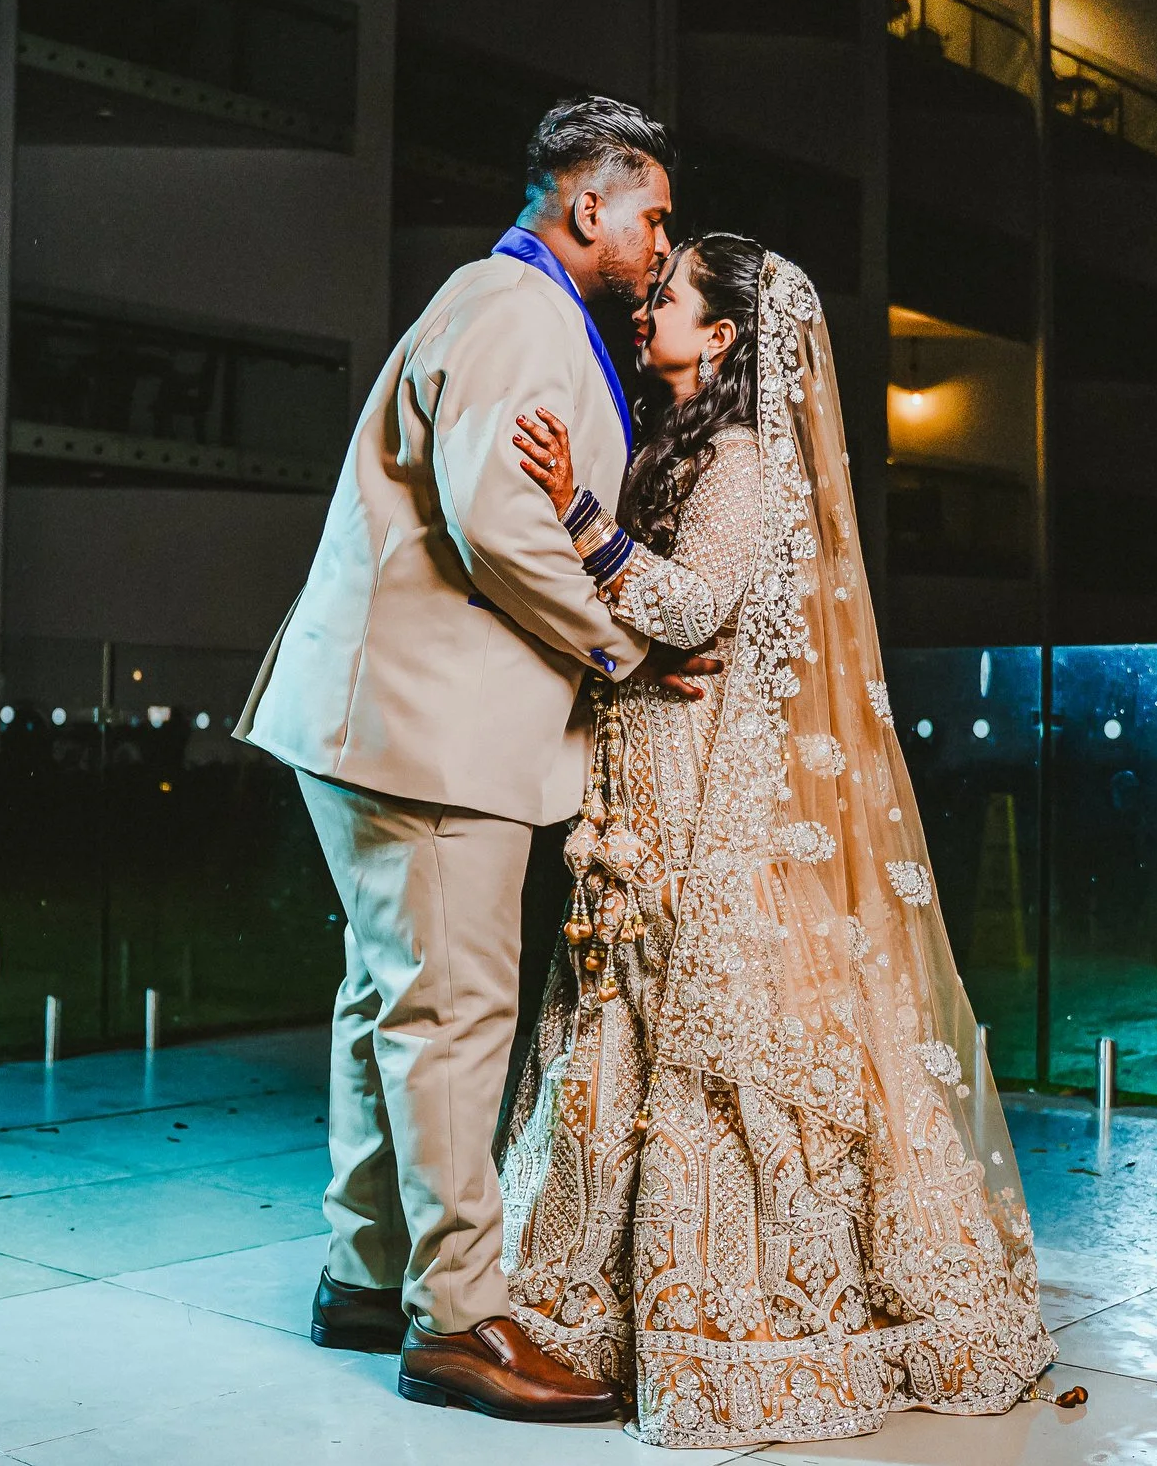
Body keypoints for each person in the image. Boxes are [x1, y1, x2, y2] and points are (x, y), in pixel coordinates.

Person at [498, 234, 1054, 1447]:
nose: (646, 310)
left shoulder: (743, 457)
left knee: (684, 1022)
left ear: (727, 336)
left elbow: (697, 604)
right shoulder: (683, 448)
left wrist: (582, 520)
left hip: (695, 795)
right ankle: (582, 1301)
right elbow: (669, 611)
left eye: (670, 296)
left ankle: (741, 1322)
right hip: (637, 764)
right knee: (611, 1015)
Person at [236, 96, 715, 1424]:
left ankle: (366, 1268)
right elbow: (499, 520)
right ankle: (458, 1319)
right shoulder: (517, 310)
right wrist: (619, 648)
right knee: (453, 1015)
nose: (662, 244)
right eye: (654, 216)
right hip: (434, 726)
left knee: (387, 998)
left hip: (378, 711)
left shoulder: (488, 299)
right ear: (589, 206)